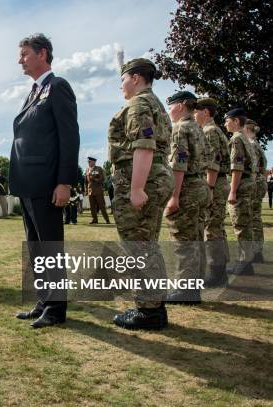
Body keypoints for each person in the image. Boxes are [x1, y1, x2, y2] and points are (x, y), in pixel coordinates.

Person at [11, 33, 79, 329]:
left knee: (50, 247)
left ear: (42, 54)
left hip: (47, 183)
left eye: (24, 53)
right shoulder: (34, 91)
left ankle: (56, 308)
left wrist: (65, 182)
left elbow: (69, 136)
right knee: (36, 246)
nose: (20, 59)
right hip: (29, 184)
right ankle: (43, 299)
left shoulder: (58, 87)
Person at [108, 58, 173, 330]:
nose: (121, 85)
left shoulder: (138, 104)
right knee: (147, 245)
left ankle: (147, 311)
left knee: (138, 247)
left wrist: (135, 189)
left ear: (135, 77)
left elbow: (143, 146)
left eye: (123, 79)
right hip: (153, 177)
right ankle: (154, 306)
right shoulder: (156, 104)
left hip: (139, 180)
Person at [164, 91, 209, 303]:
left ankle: (186, 290)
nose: (169, 111)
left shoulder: (181, 128)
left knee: (183, 240)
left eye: (171, 106)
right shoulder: (198, 128)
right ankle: (194, 287)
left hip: (188, 187)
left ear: (181, 105)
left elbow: (179, 165)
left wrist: (174, 196)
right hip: (200, 185)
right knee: (197, 238)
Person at [194, 97, 231, 287]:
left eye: (196, 111)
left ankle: (217, 273)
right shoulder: (215, 131)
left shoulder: (209, 132)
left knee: (212, 228)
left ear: (206, 112)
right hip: (218, 183)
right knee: (217, 227)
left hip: (214, 184)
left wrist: (208, 188)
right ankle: (220, 270)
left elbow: (213, 163)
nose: (194, 114)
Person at [224, 108, 256, 275]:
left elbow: (237, 168)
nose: (225, 124)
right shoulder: (245, 139)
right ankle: (247, 262)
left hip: (241, 186)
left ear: (236, 121)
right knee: (246, 224)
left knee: (240, 225)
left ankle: (244, 264)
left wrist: (233, 191)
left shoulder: (237, 139)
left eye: (227, 120)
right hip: (248, 185)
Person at [245, 119, 267, 263]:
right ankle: (257, 252)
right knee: (255, 217)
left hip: (254, 181)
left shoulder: (251, 145)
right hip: (259, 181)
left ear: (246, 129)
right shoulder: (256, 144)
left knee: (252, 218)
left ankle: (255, 252)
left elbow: (252, 167)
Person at [85, 156, 110, 224]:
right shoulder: (87, 170)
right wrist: (86, 190)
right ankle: (94, 219)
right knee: (92, 207)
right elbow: (86, 181)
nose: (88, 163)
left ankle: (107, 219)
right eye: (88, 162)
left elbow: (102, 179)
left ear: (94, 162)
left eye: (90, 161)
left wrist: (94, 179)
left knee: (101, 205)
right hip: (90, 190)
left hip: (98, 190)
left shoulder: (99, 168)